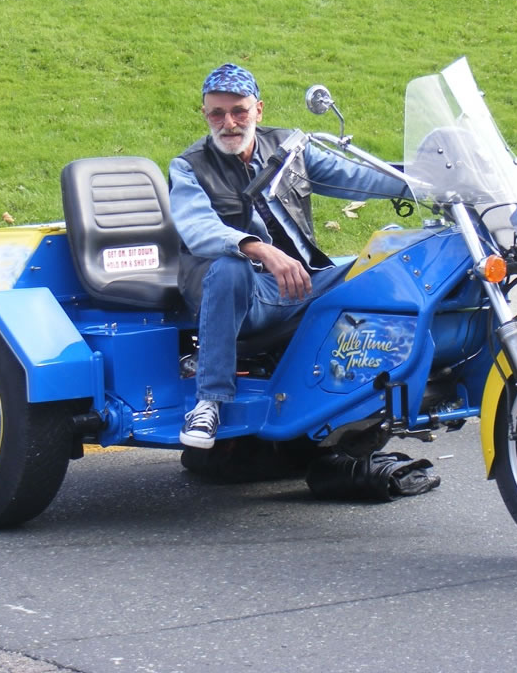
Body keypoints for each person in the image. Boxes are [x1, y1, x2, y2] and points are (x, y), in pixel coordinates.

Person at [169, 63, 411, 449]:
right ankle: (208, 402)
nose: (228, 123)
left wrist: (418, 182)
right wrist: (259, 249)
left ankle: (383, 376)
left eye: (239, 111)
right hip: (244, 294)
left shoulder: (290, 148)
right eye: (217, 113)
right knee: (230, 267)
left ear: (258, 110)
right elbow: (197, 227)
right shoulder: (188, 167)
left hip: (304, 282)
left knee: (391, 252)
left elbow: (353, 176)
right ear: (204, 114)